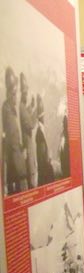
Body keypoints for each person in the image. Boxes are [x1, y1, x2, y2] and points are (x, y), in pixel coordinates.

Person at [2, 66, 27, 194]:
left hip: (17, 161)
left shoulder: (11, 109)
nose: (16, 95)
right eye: (14, 93)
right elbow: (10, 140)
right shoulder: (7, 109)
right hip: (16, 166)